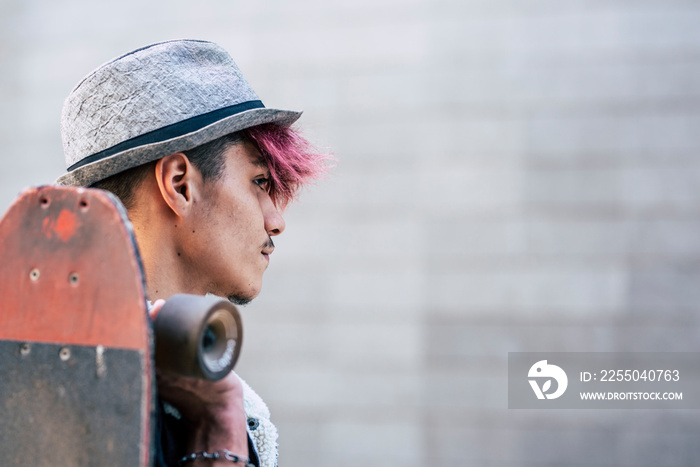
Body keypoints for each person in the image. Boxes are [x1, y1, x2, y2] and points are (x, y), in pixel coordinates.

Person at [56, 39, 329, 467]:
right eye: (259, 182)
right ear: (181, 184)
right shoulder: (64, 387)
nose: (276, 221)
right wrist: (219, 426)